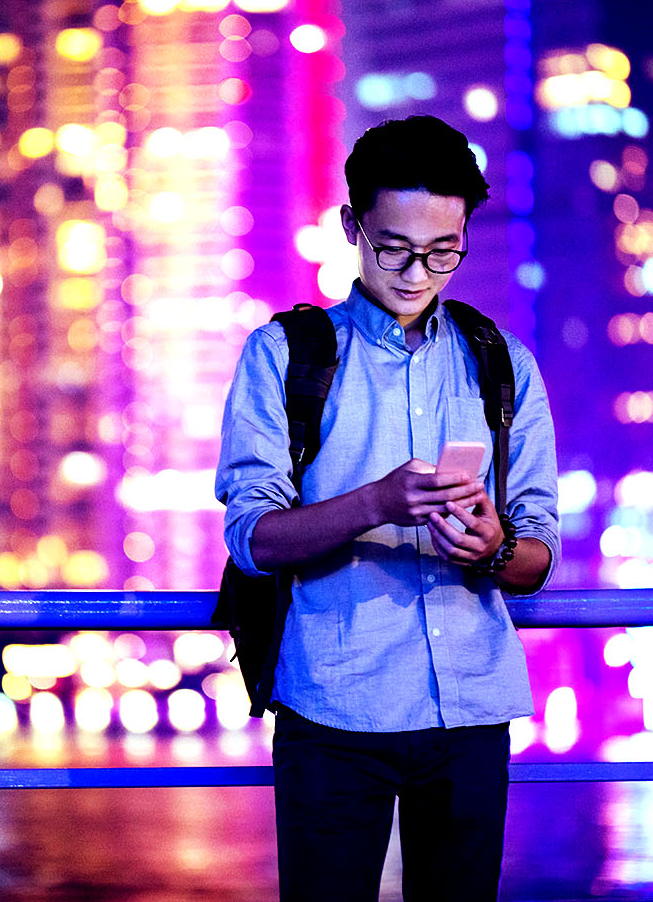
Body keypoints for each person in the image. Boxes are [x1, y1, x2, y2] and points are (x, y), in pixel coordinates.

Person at [214, 115, 560, 901]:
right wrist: (377, 501)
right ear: (351, 228)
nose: (416, 273)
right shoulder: (287, 356)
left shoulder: (503, 364)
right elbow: (251, 537)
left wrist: (494, 549)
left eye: (444, 252)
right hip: (336, 713)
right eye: (394, 248)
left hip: (471, 709)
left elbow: (540, 543)